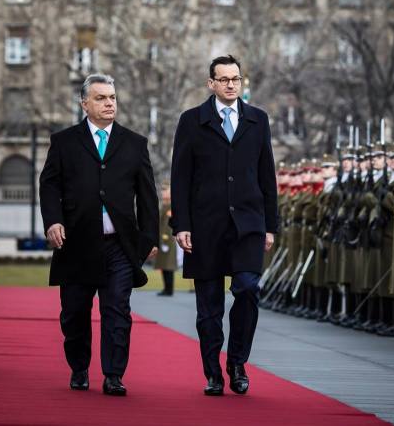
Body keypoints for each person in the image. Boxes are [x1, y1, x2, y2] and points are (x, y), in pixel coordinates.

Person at [40, 73, 159, 394]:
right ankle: (79, 368)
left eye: (112, 98)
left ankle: (113, 375)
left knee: (117, 309)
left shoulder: (134, 144)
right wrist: (52, 220)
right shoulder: (64, 142)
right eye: (101, 98)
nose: (109, 103)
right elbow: (49, 185)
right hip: (76, 244)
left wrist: (148, 240)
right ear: (84, 104)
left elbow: (148, 197)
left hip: (119, 247)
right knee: (74, 314)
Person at [171, 55, 277, 396]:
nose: (231, 84)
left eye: (236, 79)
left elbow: (267, 176)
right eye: (224, 79)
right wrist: (181, 225)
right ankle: (212, 372)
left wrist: (270, 226)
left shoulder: (257, 120)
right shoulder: (192, 121)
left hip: (248, 223)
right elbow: (180, 178)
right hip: (205, 226)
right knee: (209, 307)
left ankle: (237, 361)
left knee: (248, 288)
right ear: (211, 83)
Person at [154, 182, 179, 296]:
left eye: (165, 190)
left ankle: (169, 289)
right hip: (162, 239)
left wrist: (165, 237)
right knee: (164, 265)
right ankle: (166, 288)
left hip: (168, 239)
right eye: (162, 190)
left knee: (168, 265)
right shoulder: (165, 205)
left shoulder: (171, 205)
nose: (163, 192)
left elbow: (168, 224)